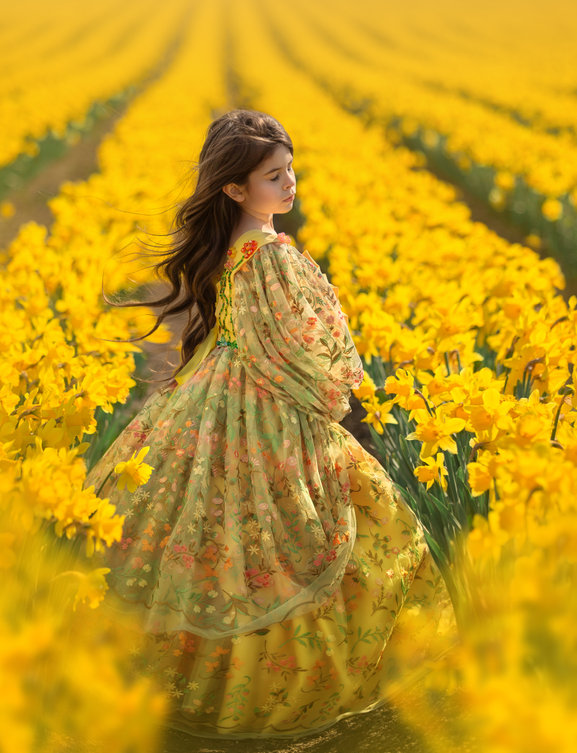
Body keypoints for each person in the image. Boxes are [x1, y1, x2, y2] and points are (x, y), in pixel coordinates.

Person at [84, 109, 454, 741]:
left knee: (223, 539)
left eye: (291, 171)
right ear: (234, 188)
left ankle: (203, 685)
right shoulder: (273, 254)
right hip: (270, 405)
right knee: (303, 535)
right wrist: (339, 395)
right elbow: (301, 348)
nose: (290, 186)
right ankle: (287, 688)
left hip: (217, 394)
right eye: (274, 176)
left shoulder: (236, 248)